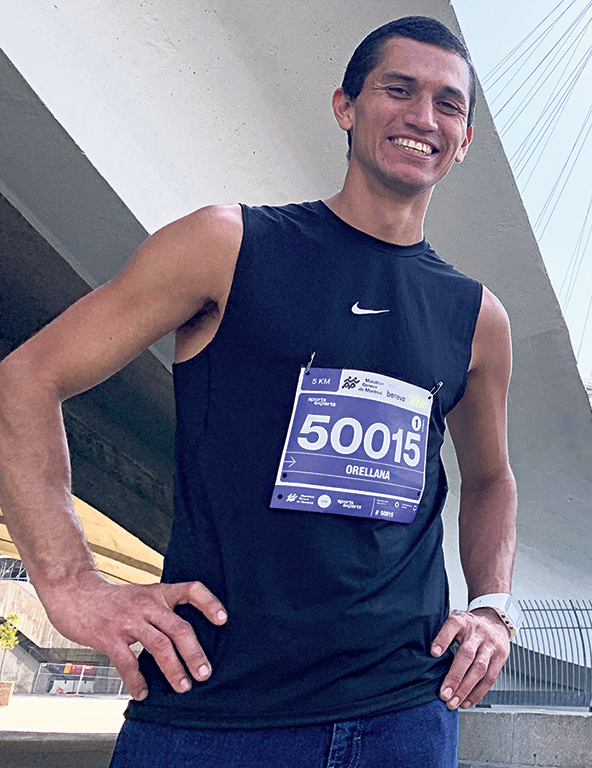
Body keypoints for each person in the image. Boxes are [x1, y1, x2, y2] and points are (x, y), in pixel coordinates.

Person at [0, 16, 517, 766]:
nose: (423, 117)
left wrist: (492, 608)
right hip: (212, 710)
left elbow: (494, 476)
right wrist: (71, 583)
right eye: (398, 90)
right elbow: (27, 378)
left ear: (464, 139)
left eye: (447, 104)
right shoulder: (227, 245)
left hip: (401, 715)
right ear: (346, 106)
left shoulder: (478, 317)